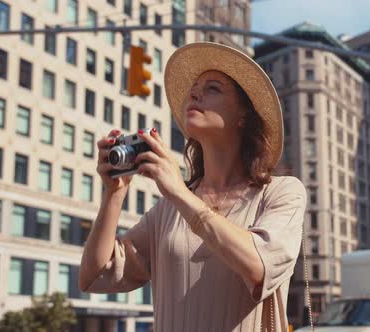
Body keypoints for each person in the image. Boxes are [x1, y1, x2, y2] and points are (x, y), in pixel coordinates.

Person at [79, 42, 307, 332]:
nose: (194, 93)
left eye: (213, 88)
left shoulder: (281, 192)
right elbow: (94, 276)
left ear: (243, 116)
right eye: (194, 87)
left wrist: (178, 192)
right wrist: (114, 194)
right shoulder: (166, 211)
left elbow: (258, 266)